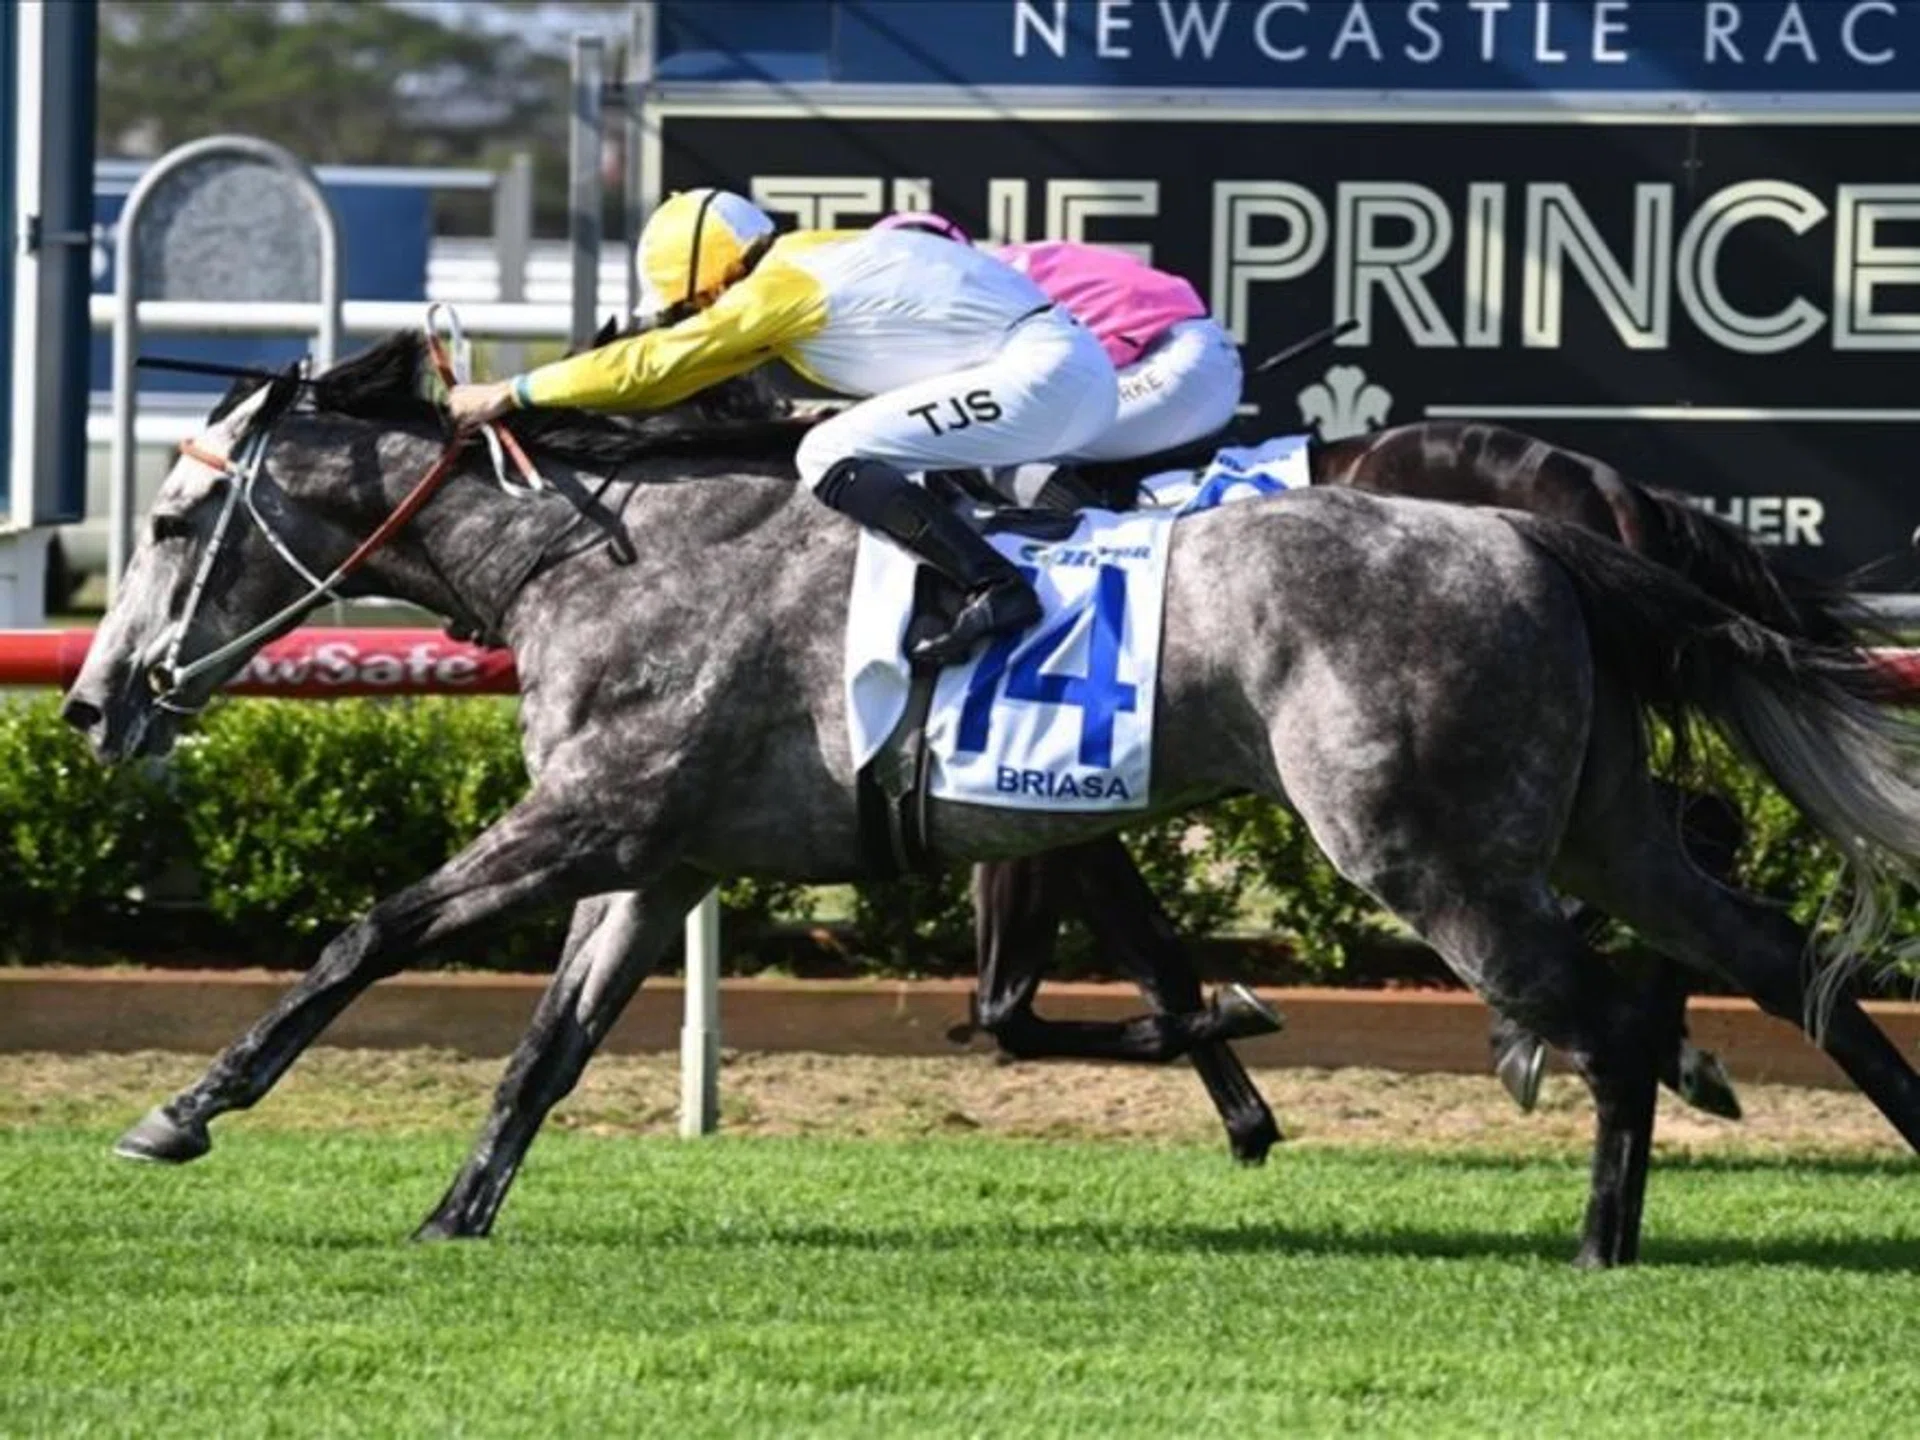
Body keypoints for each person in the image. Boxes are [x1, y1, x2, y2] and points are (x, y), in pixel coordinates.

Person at [448, 188, 1119, 665]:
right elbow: (683, 378)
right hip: (1062, 367)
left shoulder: (778, 287)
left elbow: (654, 365)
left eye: (693, 302)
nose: (697, 313)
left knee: (827, 453)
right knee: (860, 439)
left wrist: (515, 390)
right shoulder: (810, 256)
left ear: (715, 276)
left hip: (1046, 374)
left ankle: (993, 588)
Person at [873, 212, 1242, 503]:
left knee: (981, 440)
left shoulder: (969, 295)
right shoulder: (1018, 258)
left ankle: (1094, 549)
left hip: (1175, 363)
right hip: (1195, 352)